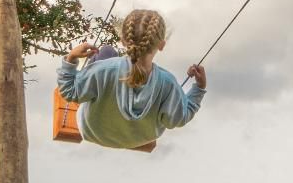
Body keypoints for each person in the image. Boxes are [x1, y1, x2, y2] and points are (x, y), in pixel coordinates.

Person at [57, 9, 206, 151]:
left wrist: (71, 59)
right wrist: (199, 88)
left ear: (123, 40)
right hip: (141, 138)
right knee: (108, 62)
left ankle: (90, 87)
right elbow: (178, 119)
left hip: (95, 132)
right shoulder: (168, 83)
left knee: (107, 51)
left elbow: (69, 92)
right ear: (161, 45)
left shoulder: (103, 70)